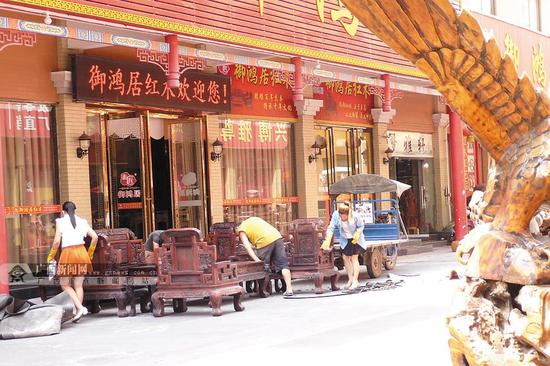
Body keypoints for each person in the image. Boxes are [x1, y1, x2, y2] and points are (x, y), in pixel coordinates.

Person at [46, 201, 98, 323]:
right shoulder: (82, 221)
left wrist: (51, 256)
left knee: (64, 284)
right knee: (78, 285)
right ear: (75, 210)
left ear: (63, 211)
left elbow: (57, 241)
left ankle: (79, 308)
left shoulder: (60, 221)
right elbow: (95, 237)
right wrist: (89, 253)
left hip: (68, 254)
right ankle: (77, 313)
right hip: (82, 252)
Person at [236, 217, 294, 296]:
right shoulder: (254, 219)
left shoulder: (241, 229)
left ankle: (263, 291)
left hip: (264, 241)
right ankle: (289, 289)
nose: (238, 235)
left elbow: (247, 247)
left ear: (237, 228)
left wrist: (257, 260)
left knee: (263, 267)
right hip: (277, 237)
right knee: (283, 265)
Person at [322, 202, 366, 291]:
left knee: (354, 258)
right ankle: (350, 279)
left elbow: (361, 226)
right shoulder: (336, 215)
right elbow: (331, 227)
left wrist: (358, 233)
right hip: (345, 240)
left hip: (355, 239)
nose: (342, 218)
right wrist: (328, 238)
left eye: (344, 216)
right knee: (345, 258)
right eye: (341, 215)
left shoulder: (355, 216)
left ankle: (355, 281)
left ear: (348, 213)